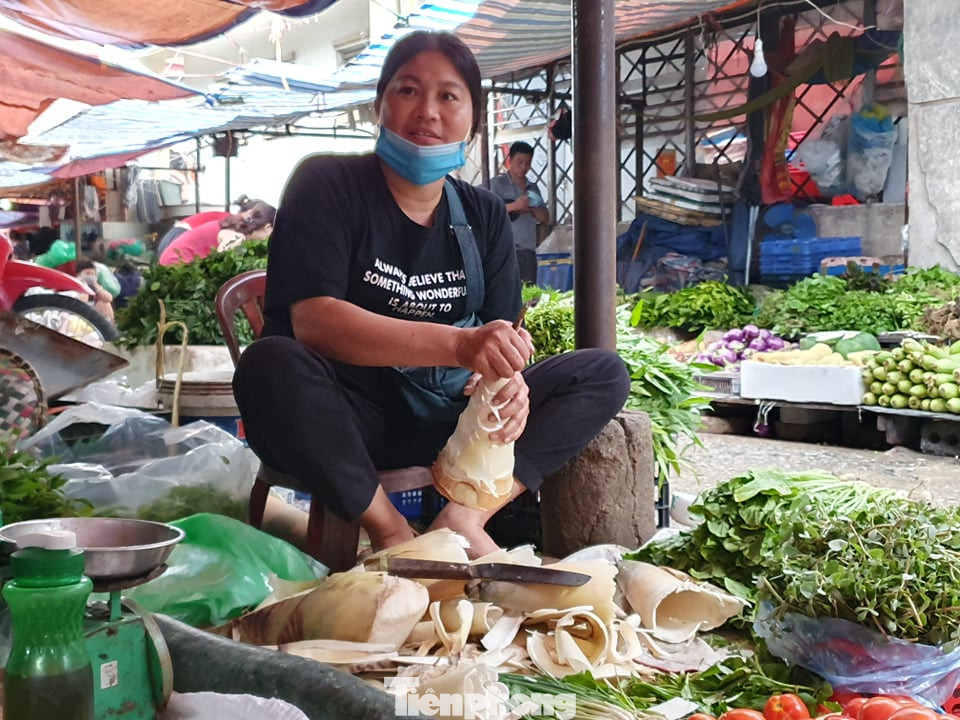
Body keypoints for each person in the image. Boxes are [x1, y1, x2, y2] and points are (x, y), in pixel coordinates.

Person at [232, 30, 630, 559]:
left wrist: (509, 385)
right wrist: (460, 346)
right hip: (347, 419)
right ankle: (390, 532)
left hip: (446, 419)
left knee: (601, 372)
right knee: (269, 362)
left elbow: (501, 334)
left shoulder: (484, 213)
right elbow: (315, 321)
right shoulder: (326, 183)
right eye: (408, 91)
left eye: (448, 96)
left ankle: (465, 516)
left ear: (472, 120)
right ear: (380, 105)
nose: (427, 111)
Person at [486, 141, 551, 284]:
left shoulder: (532, 188)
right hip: (503, 252)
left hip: (527, 251)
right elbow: (485, 211)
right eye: (519, 162)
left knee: (529, 296)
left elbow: (545, 218)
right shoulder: (496, 184)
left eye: (527, 163)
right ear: (509, 160)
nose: (523, 167)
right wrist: (514, 206)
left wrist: (532, 209)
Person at [157, 202, 275, 266]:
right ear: (267, 227)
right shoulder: (235, 237)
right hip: (175, 266)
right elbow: (219, 265)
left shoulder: (232, 225)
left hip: (175, 260)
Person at [75, 259, 115, 324]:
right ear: (79, 274)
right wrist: (83, 284)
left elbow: (109, 298)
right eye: (87, 273)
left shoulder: (95, 286)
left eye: (92, 274)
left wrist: (95, 285)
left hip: (93, 313)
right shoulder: (75, 284)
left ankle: (109, 328)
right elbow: (81, 301)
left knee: (105, 303)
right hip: (78, 314)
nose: (90, 276)